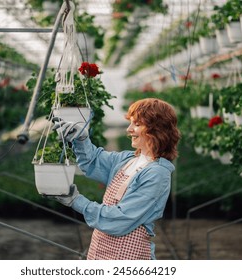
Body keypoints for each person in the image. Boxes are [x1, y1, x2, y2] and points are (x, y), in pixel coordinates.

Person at [51, 98, 181, 260]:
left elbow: (120, 220)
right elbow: (94, 161)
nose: (129, 129)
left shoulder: (157, 174)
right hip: (100, 247)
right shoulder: (127, 160)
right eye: (131, 123)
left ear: (157, 130)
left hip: (128, 255)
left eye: (137, 124)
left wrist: (77, 201)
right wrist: (81, 138)